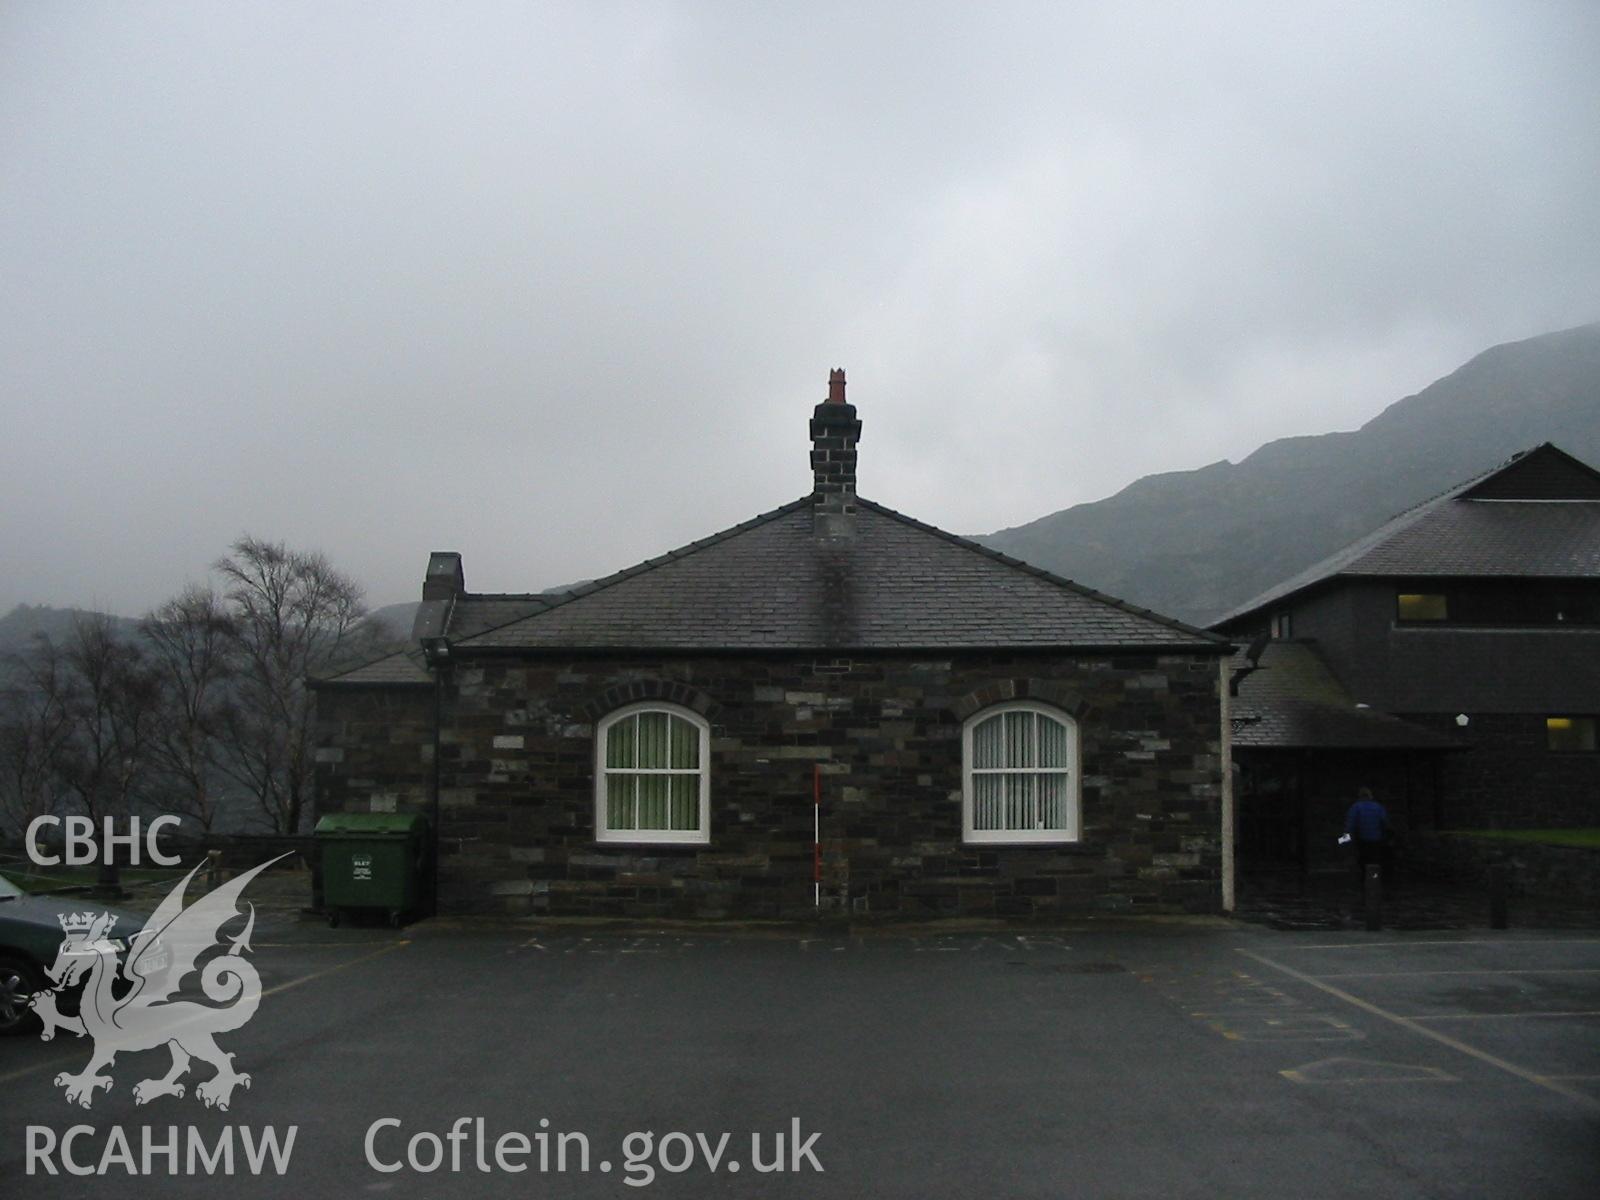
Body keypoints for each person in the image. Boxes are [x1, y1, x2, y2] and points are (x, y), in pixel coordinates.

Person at [1344, 787, 1390, 876]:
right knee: (1375, 860)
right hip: (1377, 839)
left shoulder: (1355, 807)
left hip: (1362, 839)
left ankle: (1364, 879)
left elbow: (1350, 825)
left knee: (1363, 860)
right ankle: (1374, 879)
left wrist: (1345, 840)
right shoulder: (1378, 807)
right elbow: (1385, 822)